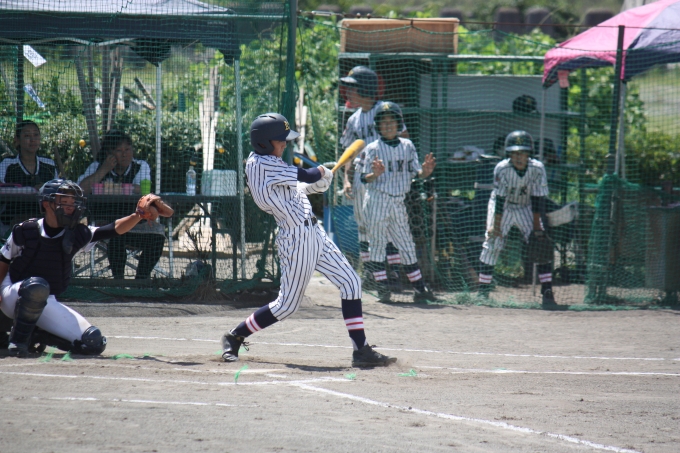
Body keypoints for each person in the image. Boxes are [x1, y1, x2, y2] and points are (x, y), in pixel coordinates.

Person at [220, 113, 396, 367]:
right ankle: (235, 335)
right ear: (264, 143)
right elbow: (307, 175)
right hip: (296, 238)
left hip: (314, 232)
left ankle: (361, 350)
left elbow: (298, 188)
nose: (285, 144)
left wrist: (319, 184)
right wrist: (322, 172)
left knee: (351, 282)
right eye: (280, 140)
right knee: (287, 306)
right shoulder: (260, 164)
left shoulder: (272, 162)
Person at [0, 179, 168, 357]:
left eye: (73, 202)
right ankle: (18, 343)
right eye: (64, 201)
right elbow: (3, 260)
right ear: (47, 204)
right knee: (36, 287)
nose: (70, 206)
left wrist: (139, 215)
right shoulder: (26, 230)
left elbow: (114, 229)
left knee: (92, 342)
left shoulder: (78, 233)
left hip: (45, 300)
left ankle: (37, 335)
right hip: (12, 294)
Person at [361, 102, 437, 303]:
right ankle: (382, 287)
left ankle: (420, 289)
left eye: (392, 121)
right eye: (384, 122)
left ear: (398, 124)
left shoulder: (408, 146)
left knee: (406, 244)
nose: (388, 125)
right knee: (377, 244)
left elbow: (416, 174)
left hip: (398, 201)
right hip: (378, 199)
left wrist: (425, 172)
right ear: (378, 126)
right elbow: (363, 178)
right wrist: (374, 174)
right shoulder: (373, 148)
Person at [477, 130, 559, 308]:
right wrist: (496, 226)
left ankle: (547, 291)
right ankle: (483, 292)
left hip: (526, 206)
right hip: (503, 206)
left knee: (541, 244)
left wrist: (537, 227)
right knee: (492, 243)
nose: (518, 157)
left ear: (529, 153)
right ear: (509, 154)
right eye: (514, 153)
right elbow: (499, 200)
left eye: (522, 152)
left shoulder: (537, 168)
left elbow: (538, 199)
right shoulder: (502, 168)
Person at [339, 66, 405, 277]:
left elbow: (404, 140)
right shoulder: (353, 119)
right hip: (362, 177)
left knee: (388, 225)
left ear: (365, 89)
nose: (349, 92)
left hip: (385, 178)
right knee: (363, 226)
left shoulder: (385, 110)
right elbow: (350, 153)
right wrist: (346, 180)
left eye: (353, 88)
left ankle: (393, 272)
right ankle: (371, 272)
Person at [77, 130, 164, 279]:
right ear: (109, 153)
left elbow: (141, 190)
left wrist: (105, 189)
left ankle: (141, 281)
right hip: (106, 223)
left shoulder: (140, 166)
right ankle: (119, 282)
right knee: (116, 234)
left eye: (127, 149)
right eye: (119, 150)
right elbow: (81, 189)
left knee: (158, 236)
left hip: (136, 222)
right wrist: (104, 170)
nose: (125, 155)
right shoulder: (97, 167)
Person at [0, 120, 59, 227]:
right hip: (10, 222)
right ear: (17, 140)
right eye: (27, 136)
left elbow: (58, 190)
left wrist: (45, 188)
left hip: (43, 221)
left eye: (36, 135)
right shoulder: (7, 164)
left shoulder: (49, 164)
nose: (32, 140)